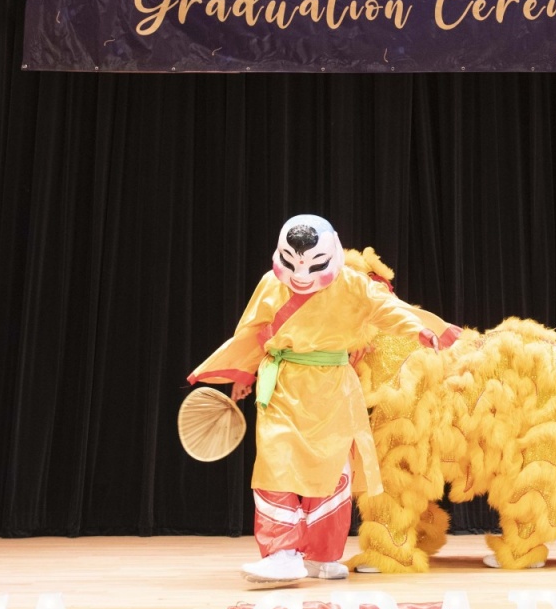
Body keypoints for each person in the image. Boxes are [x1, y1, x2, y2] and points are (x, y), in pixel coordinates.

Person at [189, 214, 441, 587]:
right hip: (283, 385)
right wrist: (244, 375)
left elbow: (389, 310)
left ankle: (322, 556)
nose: (302, 276)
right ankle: (281, 554)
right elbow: (253, 332)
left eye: (313, 265)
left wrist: (419, 329)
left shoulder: (354, 285)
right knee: (275, 465)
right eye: (292, 264)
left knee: (332, 472)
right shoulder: (270, 284)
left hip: (333, 388)